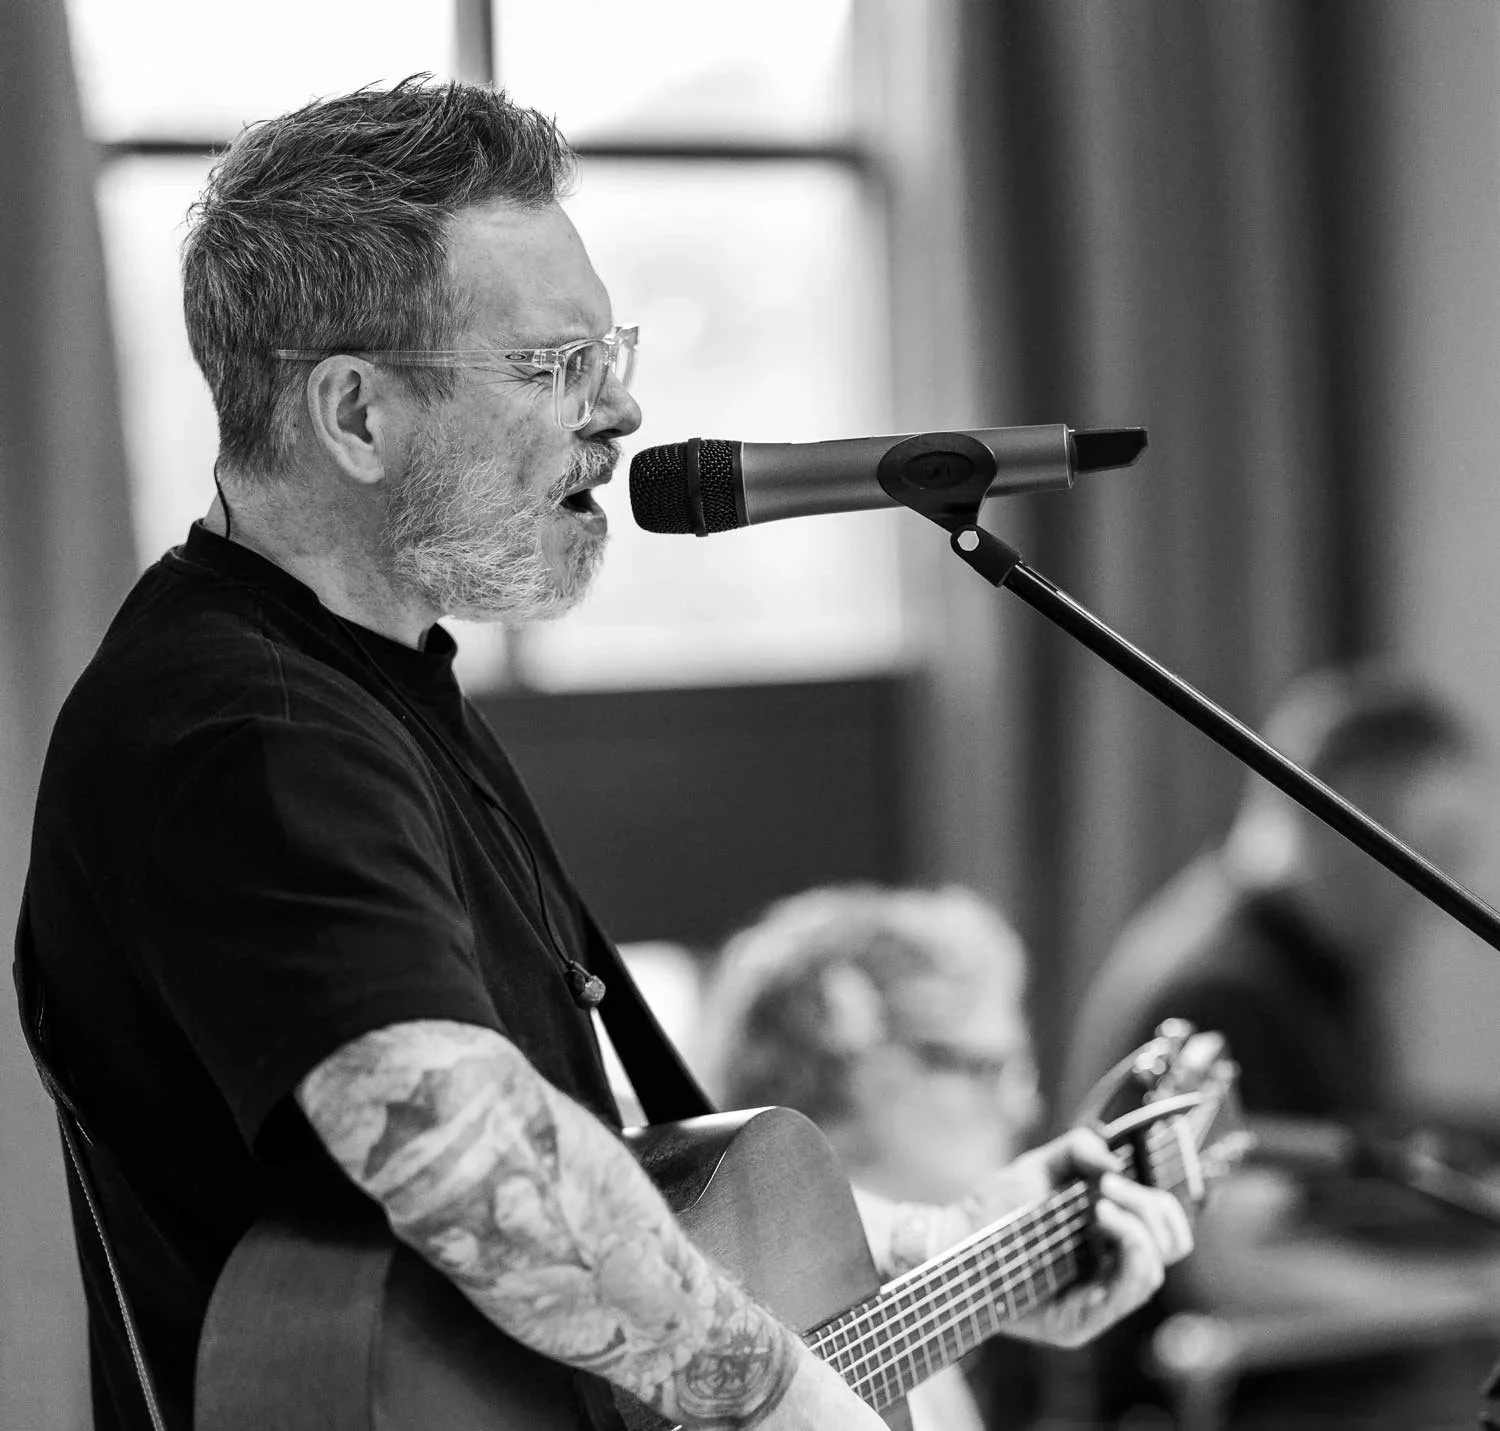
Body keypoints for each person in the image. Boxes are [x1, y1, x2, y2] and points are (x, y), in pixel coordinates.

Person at [15, 78, 1192, 1431]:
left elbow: (613, 1184)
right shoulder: (247, 724)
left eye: (608, 352)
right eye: (550, 366)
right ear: (354, 415)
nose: (622, 410)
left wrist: (952, 1249)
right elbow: (464, 1155)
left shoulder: (373, 682)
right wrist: (785, 1398)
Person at [1061, 661, 1498, 1427]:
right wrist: (1473, 1291)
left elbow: (1329, 1166)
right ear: (1354, 817)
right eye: (1433, 848)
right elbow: (1234, 1268)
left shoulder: (1311, 963)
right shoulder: (1222, 990)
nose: (1442, 892)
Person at [706, 884, 1047, 1431]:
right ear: (857, 1063)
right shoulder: (748, 1336)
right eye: (987, 1067)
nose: (1022, 1107)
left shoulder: (906, 1325)